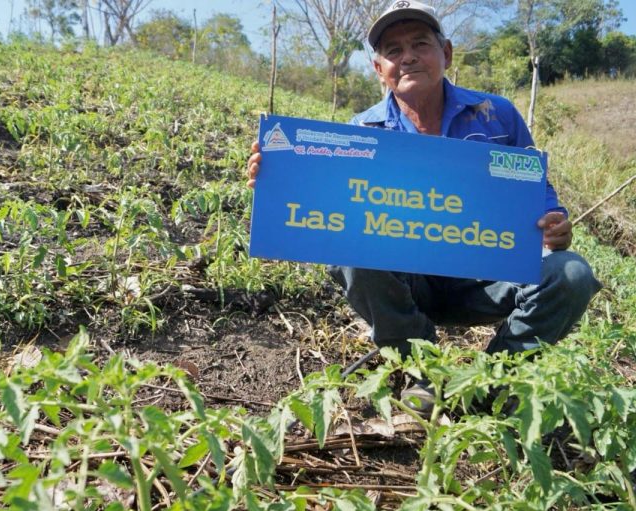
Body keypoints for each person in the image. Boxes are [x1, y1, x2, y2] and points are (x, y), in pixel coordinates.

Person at [247, 0, 601, 362]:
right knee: (351, 251)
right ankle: (423, 366)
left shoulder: (497, 116)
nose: (408, 57)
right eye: (393, 50)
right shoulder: (362, 132)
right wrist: (280, 180)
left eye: (420, 44)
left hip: (489, 279)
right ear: (378, 68)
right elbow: (328, 205)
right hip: (407, 283)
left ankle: (500, 376)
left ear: (445, 53)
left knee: (570, 273)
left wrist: (554, 224)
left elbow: (537, 194)